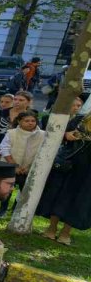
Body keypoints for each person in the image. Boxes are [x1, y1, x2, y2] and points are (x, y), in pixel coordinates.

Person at [36, 93, 89, 246]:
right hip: (69, 165)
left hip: (86, 172)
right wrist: (66, 135)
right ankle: (51, 229)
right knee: (59, 195)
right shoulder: (80, 120)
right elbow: (56, 132)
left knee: (78, 199)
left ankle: (66, 232)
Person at [0, 110, 44, 218]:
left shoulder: (42, 135)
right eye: (27, 121)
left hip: (29, 168)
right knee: (6, 188)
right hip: (9, 166)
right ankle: (3, 208)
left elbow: (42, 153)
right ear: (19, 121)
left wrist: (28, 168)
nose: (30, 123)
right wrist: (14, 166)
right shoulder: (12, 133)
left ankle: (18, 211)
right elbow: (4, 148)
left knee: (25, 190)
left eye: (33, 121)